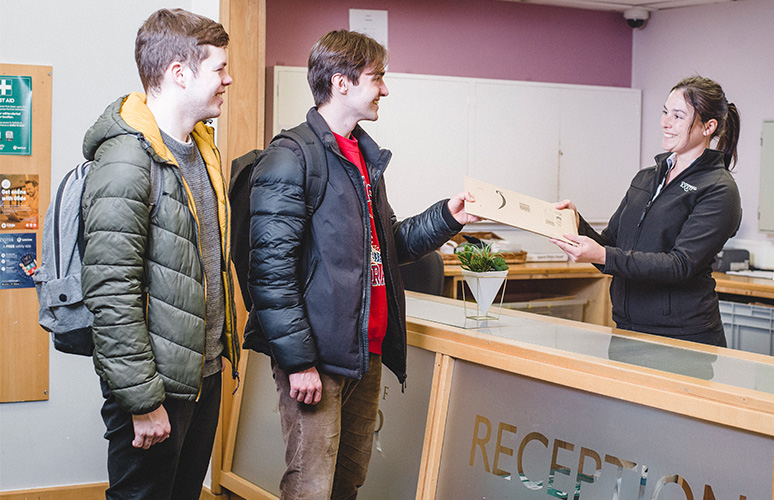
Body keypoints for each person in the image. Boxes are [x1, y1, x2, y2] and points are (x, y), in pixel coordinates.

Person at [246, 30, 478, 499]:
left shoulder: (361, 156)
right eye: (378, 78)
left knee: (347, 484)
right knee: (310, 487)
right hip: (317, 359)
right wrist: (298, 362)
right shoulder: (291, 157)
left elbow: (389, 247)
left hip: (362, 353)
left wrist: (448, 217)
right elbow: (271, 274)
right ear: (342, 82)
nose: (385, 90)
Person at [80, 8, 239, 500]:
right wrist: (142, 401)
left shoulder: (200, 148)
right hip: (155, 386)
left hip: (202, 374)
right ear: (178, 72)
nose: (228, 79)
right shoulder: (126, 160)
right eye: (218, 69)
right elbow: (111, 291)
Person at [551, 76, 742, 347]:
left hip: (683, 337)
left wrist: (603, 254)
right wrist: (575, 223)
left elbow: (680, 265)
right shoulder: (645, 178)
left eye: (678, 116)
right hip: (627, 329)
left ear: (708, 126)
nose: (666, 122)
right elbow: (611, 247)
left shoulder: (719, 189)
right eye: (665, 112)